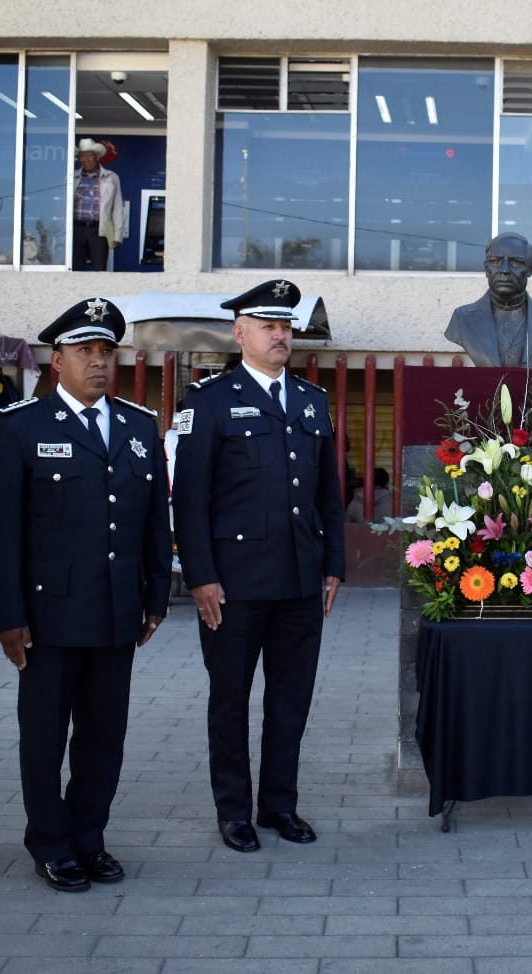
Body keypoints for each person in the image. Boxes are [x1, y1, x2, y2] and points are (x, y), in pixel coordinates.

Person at [0, 298, 170, 893]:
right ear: (56, 359)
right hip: (48, 615)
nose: (98, 362)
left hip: (116, 611)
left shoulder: (137, 426)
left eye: (106, 351)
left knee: (104, 735)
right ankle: (51, 841)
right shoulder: (20, 427)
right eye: (84, 351)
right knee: (44, 735)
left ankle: (90, 836)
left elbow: (152, 520)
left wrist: (156, 595)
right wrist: (6, 615)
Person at [172, 279, 346, 853]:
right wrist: (199, 575)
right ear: (238, 333)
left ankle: (279, 805)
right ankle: (233, 811)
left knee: (290, 700)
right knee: (230, 699)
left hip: (300, 579)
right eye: (268, 326)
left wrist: (333, 566)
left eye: (286, 326)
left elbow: (328, 494)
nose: (280, 335)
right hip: (234, 584)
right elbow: (189, 498)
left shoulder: (311, 401)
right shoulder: (209, 400)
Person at [444, 233, 532, 367]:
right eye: (496, 261)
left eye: (516, 262)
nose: (505, 270)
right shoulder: (463, 319)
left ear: (530, 270)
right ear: (486, 268)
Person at [72, 137, 124, 272]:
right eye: (82, 156)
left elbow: (117, 208)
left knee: (100, 269)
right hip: (76, 229)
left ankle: (97, 293)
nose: (85, 160)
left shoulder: (111, 177)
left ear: (97, 157)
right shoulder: (72, 177)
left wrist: (117, 235)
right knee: (75, 269)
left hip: (100, 230)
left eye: (89, 156)